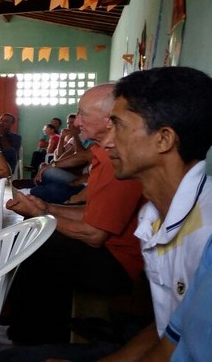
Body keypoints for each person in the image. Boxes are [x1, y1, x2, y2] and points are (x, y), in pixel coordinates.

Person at [3, 84, 145, 345]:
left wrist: (44, 215)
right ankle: (17, 320)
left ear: (109, 119)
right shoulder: (104, 152)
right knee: (32, 230)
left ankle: (30, 336)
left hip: (122, 264)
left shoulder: (120, 159)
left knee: (40, 247)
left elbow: (94, 234)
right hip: (109, 250)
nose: (76, 121)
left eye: (82, 114)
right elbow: (91, 212)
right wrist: (43, 209)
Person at [97, 67, 212, 360]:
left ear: (163, 139)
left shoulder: (206, 232)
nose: (106, 142)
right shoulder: (152, 216)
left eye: (118, 126)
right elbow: (170, 328)